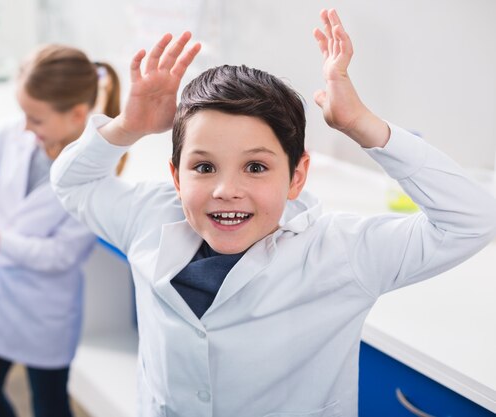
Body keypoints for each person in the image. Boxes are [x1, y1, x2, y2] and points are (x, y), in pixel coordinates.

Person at [51, 9, 496, 417]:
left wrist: (363, 125)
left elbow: (472, 219)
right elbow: (72, 183)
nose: (227, 190)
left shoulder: (341, 252)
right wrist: (128, 127)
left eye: (256, 167)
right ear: (175, 175)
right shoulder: (148, 218)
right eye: (204, 167)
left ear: (297, 175)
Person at [0, 44, 122, 417]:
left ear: (77, 114)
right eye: (24, 115)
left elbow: (62, 255)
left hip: (43, 312)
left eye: (35, 119)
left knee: (50, 406)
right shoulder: (19, 133)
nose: (26, 126)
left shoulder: (94, 175)